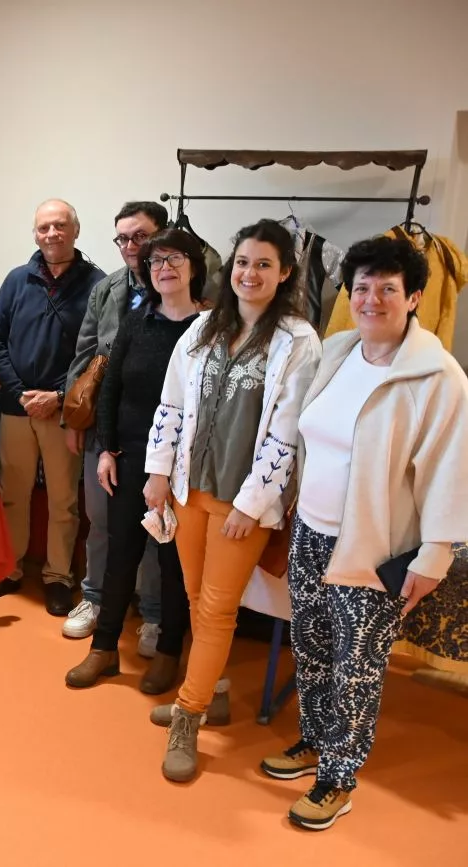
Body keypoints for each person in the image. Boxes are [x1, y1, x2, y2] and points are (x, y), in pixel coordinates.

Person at [259, 235, 468, 831]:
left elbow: (450, 471)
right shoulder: (337, 351)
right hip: (312, 532)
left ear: (415, 297)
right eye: (364, 288)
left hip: (375, 548)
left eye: (388, 289)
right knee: (314, 645)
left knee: (358, 664)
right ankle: (315, 741)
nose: (373, 299)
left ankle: (338, 777)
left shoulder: (437, 378)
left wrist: (436, 553)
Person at [143, 219, 321, 783]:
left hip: (241, 504)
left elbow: (286, 435)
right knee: (197, 599)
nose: (250, 273)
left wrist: (252, 504)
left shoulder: (298, 341)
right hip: (188, 490)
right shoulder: (200, 330)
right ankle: (211, 692)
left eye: (264, 264)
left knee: (217, 607)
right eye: (243, 262)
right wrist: (156, 472)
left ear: (286, 273)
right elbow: (170, 407)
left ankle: (188, 718)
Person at [65, 228, 202, 694]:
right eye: (156, 261)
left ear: (194, 265)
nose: (164, 268)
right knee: (120, 553)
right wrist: (105, 448)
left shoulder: (208, 330)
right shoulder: (136, 322)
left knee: (172, 564)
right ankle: (103, 650)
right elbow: (111, 390)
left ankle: (167, 652)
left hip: (183, 468)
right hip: (128, 457)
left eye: (174, 259)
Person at [0, 200, 106, 613]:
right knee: (12, 493)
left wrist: (56, 394)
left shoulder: (97, 284)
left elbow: (98, 353)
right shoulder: (18, 280)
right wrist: (18, 392)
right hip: (17, 406)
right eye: (43, 228)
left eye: (59, 226)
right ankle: (10, 569)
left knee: (63, 500)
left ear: (75, 230)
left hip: (62, 410)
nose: (51, 234)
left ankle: (57, 576)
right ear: (34, 234)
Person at [61, 201, 171, 644]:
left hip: (160, 431)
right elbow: (84, 354)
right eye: (122, 238)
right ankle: (97, 596)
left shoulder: (182, 289)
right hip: (105, 425)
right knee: (102, 518)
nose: (130, 246)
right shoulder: (106, 289)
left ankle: (153, 611)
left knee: (154, 521)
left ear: (161, 236)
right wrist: (75, 420)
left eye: (140, 236)